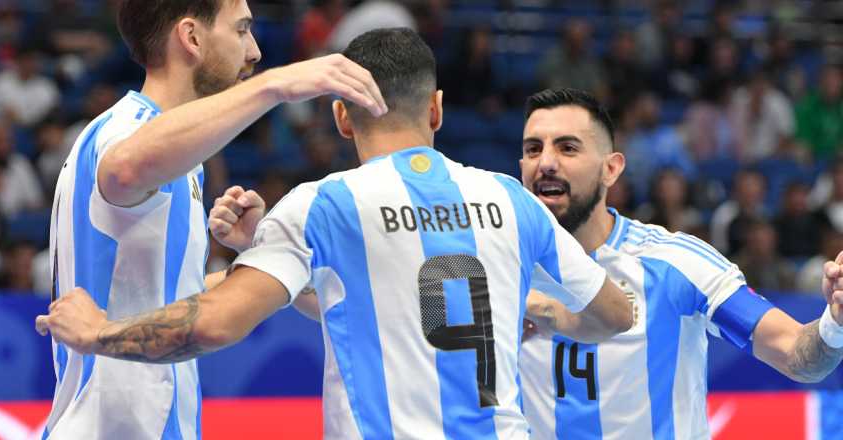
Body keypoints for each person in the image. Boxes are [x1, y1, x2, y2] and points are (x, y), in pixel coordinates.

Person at [37, 28, 633, 439]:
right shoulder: (510, 197)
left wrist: (100, 332)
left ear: (341, 114)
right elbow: (614, 315)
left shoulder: (323, 206)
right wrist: (532, 309)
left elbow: (215, 322)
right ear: (438, 110)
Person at [40, 0, 387, 438]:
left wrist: (256, 255)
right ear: (191, 38)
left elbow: (164, 294)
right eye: (242, 30)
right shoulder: (125, 129)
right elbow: (125, 168)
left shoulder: (180, 158)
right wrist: (278, 85)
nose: (256, 51)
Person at [513, 88, 843, 439]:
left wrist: (835, 323)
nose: (545, 162)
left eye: (568, 147)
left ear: (611, 169)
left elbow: (797, 356)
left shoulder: (676, 262)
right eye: (533, 149)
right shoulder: (498, 267)